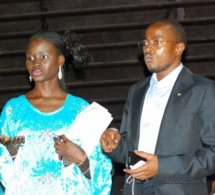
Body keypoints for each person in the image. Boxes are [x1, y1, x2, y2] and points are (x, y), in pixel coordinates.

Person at [100, 18, 215, 195]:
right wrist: (113, 146)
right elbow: (127, 151)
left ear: (178, 48)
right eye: (145, 42)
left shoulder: (203, 90)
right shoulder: (137, 91)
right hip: (136, 188)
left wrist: (161, 167)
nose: (147, 48)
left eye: (157, 42)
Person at [0, 30, 112, 194]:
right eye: (30, 58)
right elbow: (2, 162)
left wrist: (81, 160)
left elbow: (101, 167)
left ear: (60, 60)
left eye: (43, 57)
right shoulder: (13, 110)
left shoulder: (80, 109)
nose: (35, 63)